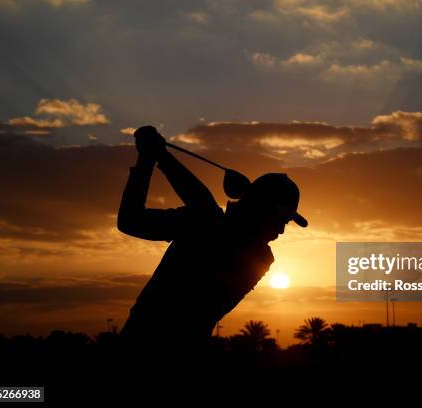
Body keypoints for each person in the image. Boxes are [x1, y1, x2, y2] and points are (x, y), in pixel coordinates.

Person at [117, 125, 307, 357]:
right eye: (279, 219)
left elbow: (211, 220)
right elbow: (131, 221)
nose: (280, 230)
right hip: (141, 348)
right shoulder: (205, 219)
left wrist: (153, 158)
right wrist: (153, 159)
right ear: (258, 209)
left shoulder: (259, 258)